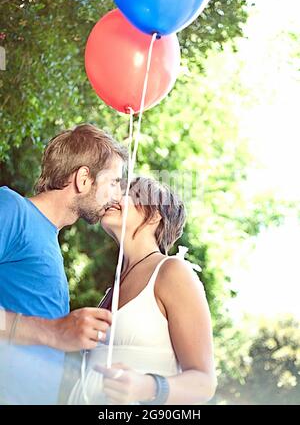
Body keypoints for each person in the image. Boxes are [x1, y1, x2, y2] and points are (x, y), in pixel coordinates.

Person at [0, 123, 127, 404]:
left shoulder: (48, 239)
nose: (118, 196)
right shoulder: (12, 209)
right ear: (84, 179)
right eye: (114, 183)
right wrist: (54, 332)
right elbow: (48, 334)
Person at [68, 177, 217, 405]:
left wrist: (147, 387)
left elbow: (204, 384)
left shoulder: (172, 272)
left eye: (132, 194)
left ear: (156, 215)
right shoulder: (111, 289)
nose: (114, 197)